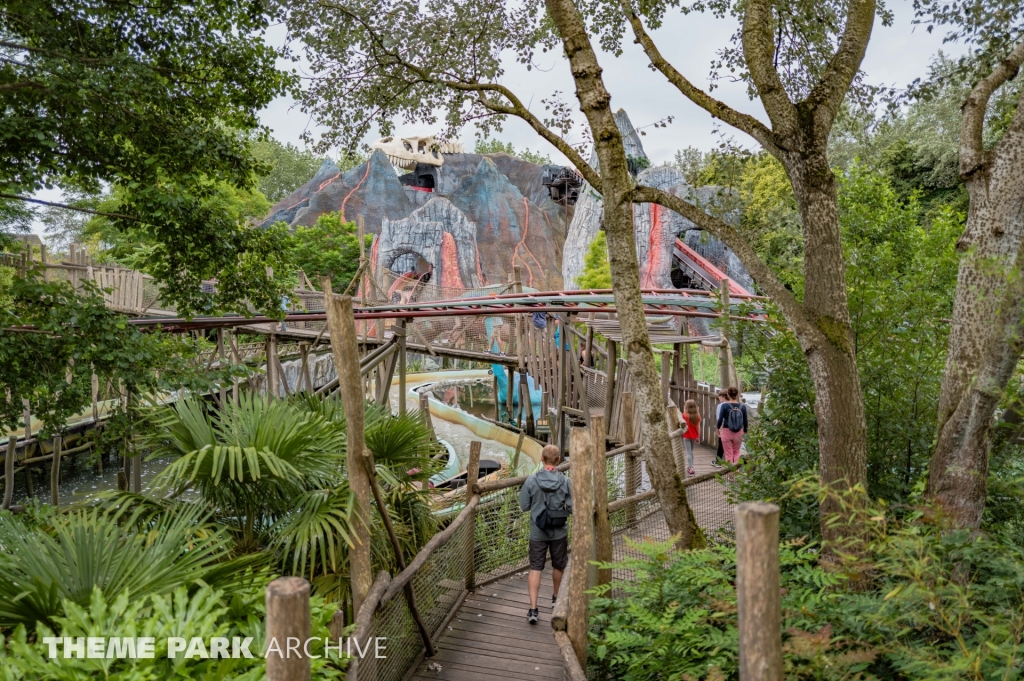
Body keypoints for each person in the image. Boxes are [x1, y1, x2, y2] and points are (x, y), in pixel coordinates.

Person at [518, 444, 572, 624]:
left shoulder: (532, 480)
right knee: (559, 566)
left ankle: (533, 609)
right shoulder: (565, 481)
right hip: (558, 531)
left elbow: (524, 506)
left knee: (535, 567)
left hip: (537, 531)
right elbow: (572, 507)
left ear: (542, 459)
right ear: (558, 460)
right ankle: (556, 599)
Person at [716, 386, 748, 465]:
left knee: (728, 454)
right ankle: (736, 473)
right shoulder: (742, 406)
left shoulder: (724, 406)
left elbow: (720, 420)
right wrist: (745, 431)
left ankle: (730, 475)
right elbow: (745, 421)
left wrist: (718, 429)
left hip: (726, 431)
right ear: (737, 394)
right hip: (738, 432)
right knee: (736, 452)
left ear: (728, 394)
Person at [681, 399, 701, 477]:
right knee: (691, 452)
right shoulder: (697, 416)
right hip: (694, 436)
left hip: (686, 436)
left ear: (686, 407)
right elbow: (698, 428)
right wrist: (698, 437)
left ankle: (691, 468)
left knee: (688, 452)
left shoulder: (684, 415)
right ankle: (690, 466)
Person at [712, 390, 728, 467]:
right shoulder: (732, 404)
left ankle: (718, 462)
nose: (719, 397)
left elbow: (719, 418)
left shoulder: (720, 406)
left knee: (721, 444)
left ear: (723, 397)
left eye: (720, 396)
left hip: (723, 426)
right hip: (731, 428)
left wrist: (718, 428)